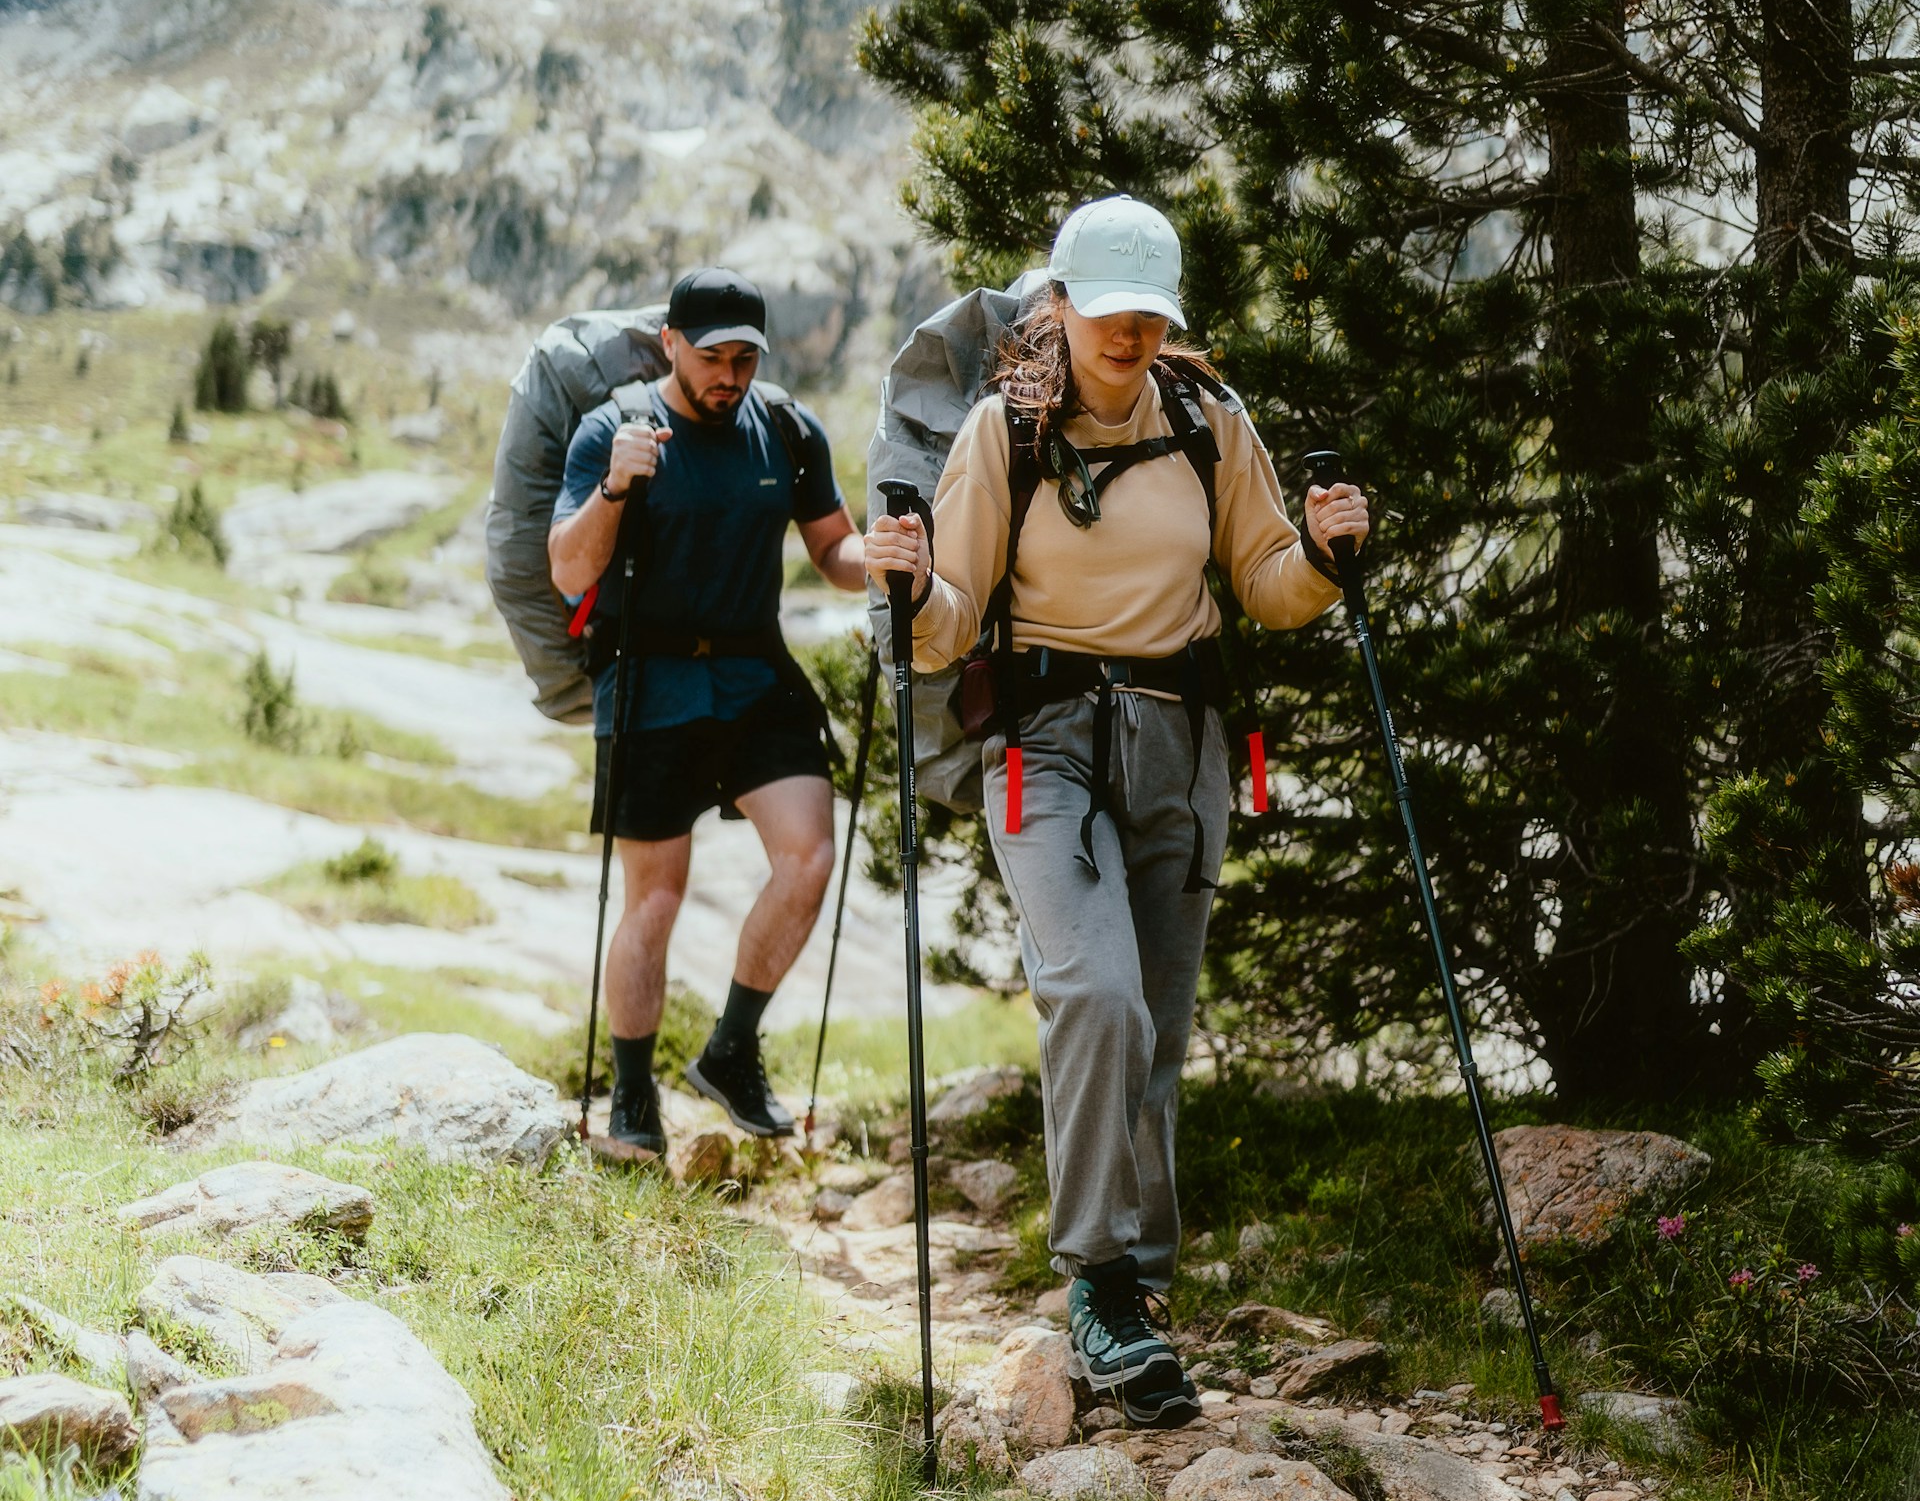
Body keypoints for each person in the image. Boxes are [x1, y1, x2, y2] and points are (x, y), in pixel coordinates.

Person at [864, 197, 1370, 1426]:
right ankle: (1095, 1279)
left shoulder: (1208, 425)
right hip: (1043, 752)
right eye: (1110, 313)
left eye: (1152, 314)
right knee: (1096, 992)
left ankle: (1136, 1302)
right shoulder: (1005, 435)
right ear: (1061, 308)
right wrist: (917, 585)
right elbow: (946, 624)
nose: (1133, 334)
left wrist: (1325, 553)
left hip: (1182, 753)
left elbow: (1266, 587)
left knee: (1156, 1026)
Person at [549, 266, 867, 1158]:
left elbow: (832, 550)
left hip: (754, 672)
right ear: (671, 347)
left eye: (747, 359)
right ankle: (633, 1090)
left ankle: (731, 1050)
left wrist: (876, 559)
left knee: (808, 858)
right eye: (715, 357)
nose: (731, 376)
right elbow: (570, 572)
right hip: (647, 679)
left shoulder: (787, 430)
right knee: (655, 899)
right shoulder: (611, 431)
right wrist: (615, 489)